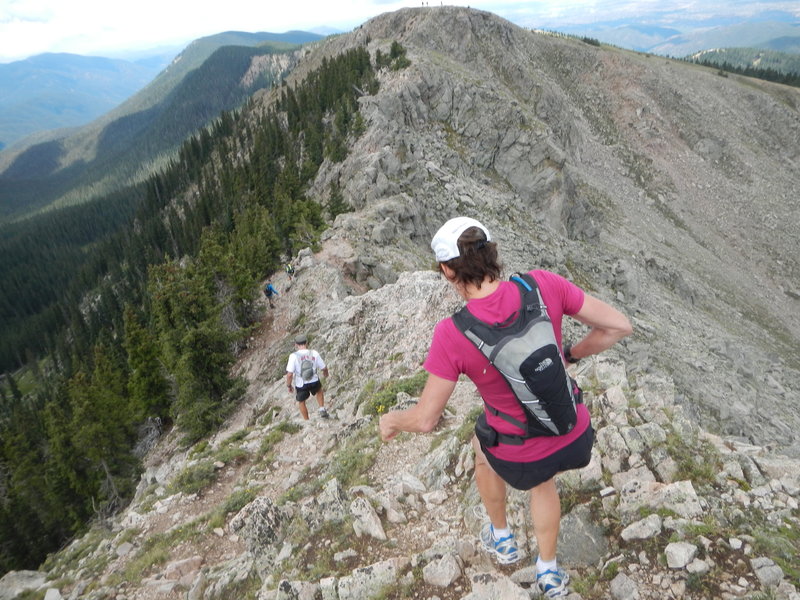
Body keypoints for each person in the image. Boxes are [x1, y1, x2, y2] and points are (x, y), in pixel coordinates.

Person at [379, 217, 632, 598]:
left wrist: (391, 419)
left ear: (448, 270)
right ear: (491, 252)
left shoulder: (453, 333)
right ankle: (548, 573)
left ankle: (503, 539)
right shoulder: (542, 284)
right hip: (576, 433)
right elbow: (618, 326)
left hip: (521, 458)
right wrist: (569, 356)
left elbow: (426, 419)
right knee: (544, 479)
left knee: (483, 445)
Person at [286, 334, 330, 420]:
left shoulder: (293, 356)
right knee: (319, 391)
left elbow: (289, 374)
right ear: (307, 342)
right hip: (314, 379)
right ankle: (321, 408)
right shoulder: (314, 353)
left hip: (301, 383)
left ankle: (306, 420)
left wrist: (289, 385)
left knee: (301, 401)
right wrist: (325, 373)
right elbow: (323, 367)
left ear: (296, 344)